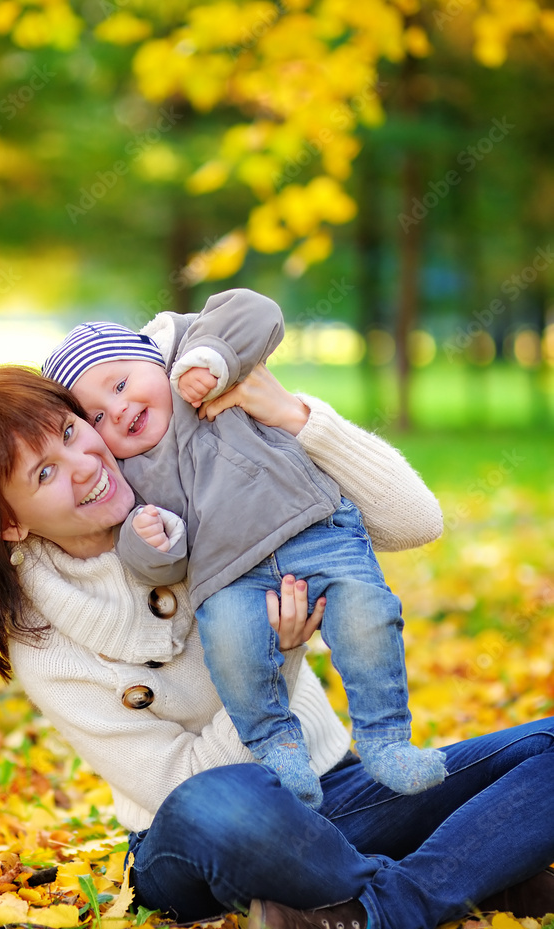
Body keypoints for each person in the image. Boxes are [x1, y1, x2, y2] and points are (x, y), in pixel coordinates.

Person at [0, 364, 554, 929]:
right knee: (226, 802)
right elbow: (176, 785)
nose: (83, 464)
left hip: (332, 789)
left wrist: (299, 419)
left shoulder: (196, 490)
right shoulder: (43, 640)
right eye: (43, 473)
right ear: (9, 525)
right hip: (196, 838)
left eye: (71, 431)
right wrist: (274, 662)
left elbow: (413, 522)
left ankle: (392, 903)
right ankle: (473, 874)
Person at [41, 288, 446, 808]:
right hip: (230, 577)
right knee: (233, 650)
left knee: (368, 618)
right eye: (95, 417)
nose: (117, 411)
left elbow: (254, 312)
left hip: (317, 532)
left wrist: (211, 361)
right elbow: (151, 563)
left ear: (154, 357)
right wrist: (152, 541)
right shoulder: (127, 474)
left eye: (121, 384)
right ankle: (277, 747)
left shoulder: (207, 378)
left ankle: (386, 738)